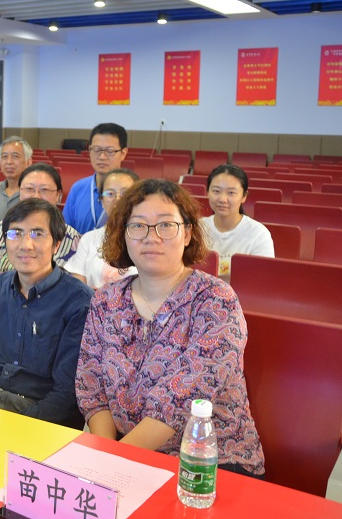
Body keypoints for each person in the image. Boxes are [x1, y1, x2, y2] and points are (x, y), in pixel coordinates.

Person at [75, 179, 265, 477]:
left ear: (187, 233)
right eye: (138, 226)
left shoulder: (216, 301)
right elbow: (92, 387)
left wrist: (113, 462)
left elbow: (179, 402)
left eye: (166, 225)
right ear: (123, 234)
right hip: (124, 455)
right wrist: (107, 452)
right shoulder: (106, 299)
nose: (151, 237)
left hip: (208, 462)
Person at [0, 199, 92, 428]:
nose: (25, 244)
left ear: (57, 245)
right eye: (15, 234)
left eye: (37, 234)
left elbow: (67, 391)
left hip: (42, 420)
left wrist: (15, 428)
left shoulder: (78, 301)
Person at [0, 163, 81, 287]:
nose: (36, 196)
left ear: (58, 195)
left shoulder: (73, 238)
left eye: (44, 190)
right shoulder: (0, 228)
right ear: (20, 192)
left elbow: (74, 284)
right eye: (29, 189)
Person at [65, 168, 140, 289]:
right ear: (102, 201)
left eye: (125, 193)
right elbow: (78, 287)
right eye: (110, 194)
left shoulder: (147, 238)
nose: (117, 199)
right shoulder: (88, 239)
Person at [201, 164, 275, 278]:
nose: (222, 199)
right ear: (207, 192)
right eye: (216, 191)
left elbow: (264, 278)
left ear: (244, 196)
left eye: (231, 193)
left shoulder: (259, 234)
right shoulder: (198, 228)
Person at [63, 123, 129, 234]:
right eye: (96, 150)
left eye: (110, 151)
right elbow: (66, 231)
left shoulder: (132, 190)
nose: (102, 157)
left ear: (123, 153)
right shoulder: (78, 188)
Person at [0, 136, 33, 227]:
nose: (9, 162)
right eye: (4, 157)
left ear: (28, 162)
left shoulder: (34, 192)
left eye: (15, 156)